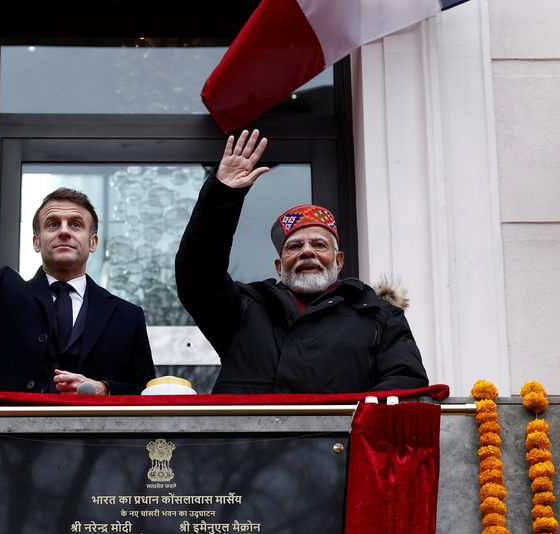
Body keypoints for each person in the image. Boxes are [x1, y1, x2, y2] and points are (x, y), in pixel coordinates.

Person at [0, 84, 156, 395]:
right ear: (36, 241)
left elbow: (145, 394)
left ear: (93, 242)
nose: (63, 230)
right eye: (52, 224)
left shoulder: (127, 316)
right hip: (6, 442)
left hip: (92, 444)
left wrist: (101, 388)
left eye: (76, 224)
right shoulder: (2, 295)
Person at [175, 129, 429, 395]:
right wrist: (222, 195)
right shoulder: (243, 309)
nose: (307, 252)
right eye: (294, 246)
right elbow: (197, 274)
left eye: (319, 244)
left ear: (339, 261)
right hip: (251, 438)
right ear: (278, 266)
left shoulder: (380, 316)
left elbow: (405, 381)